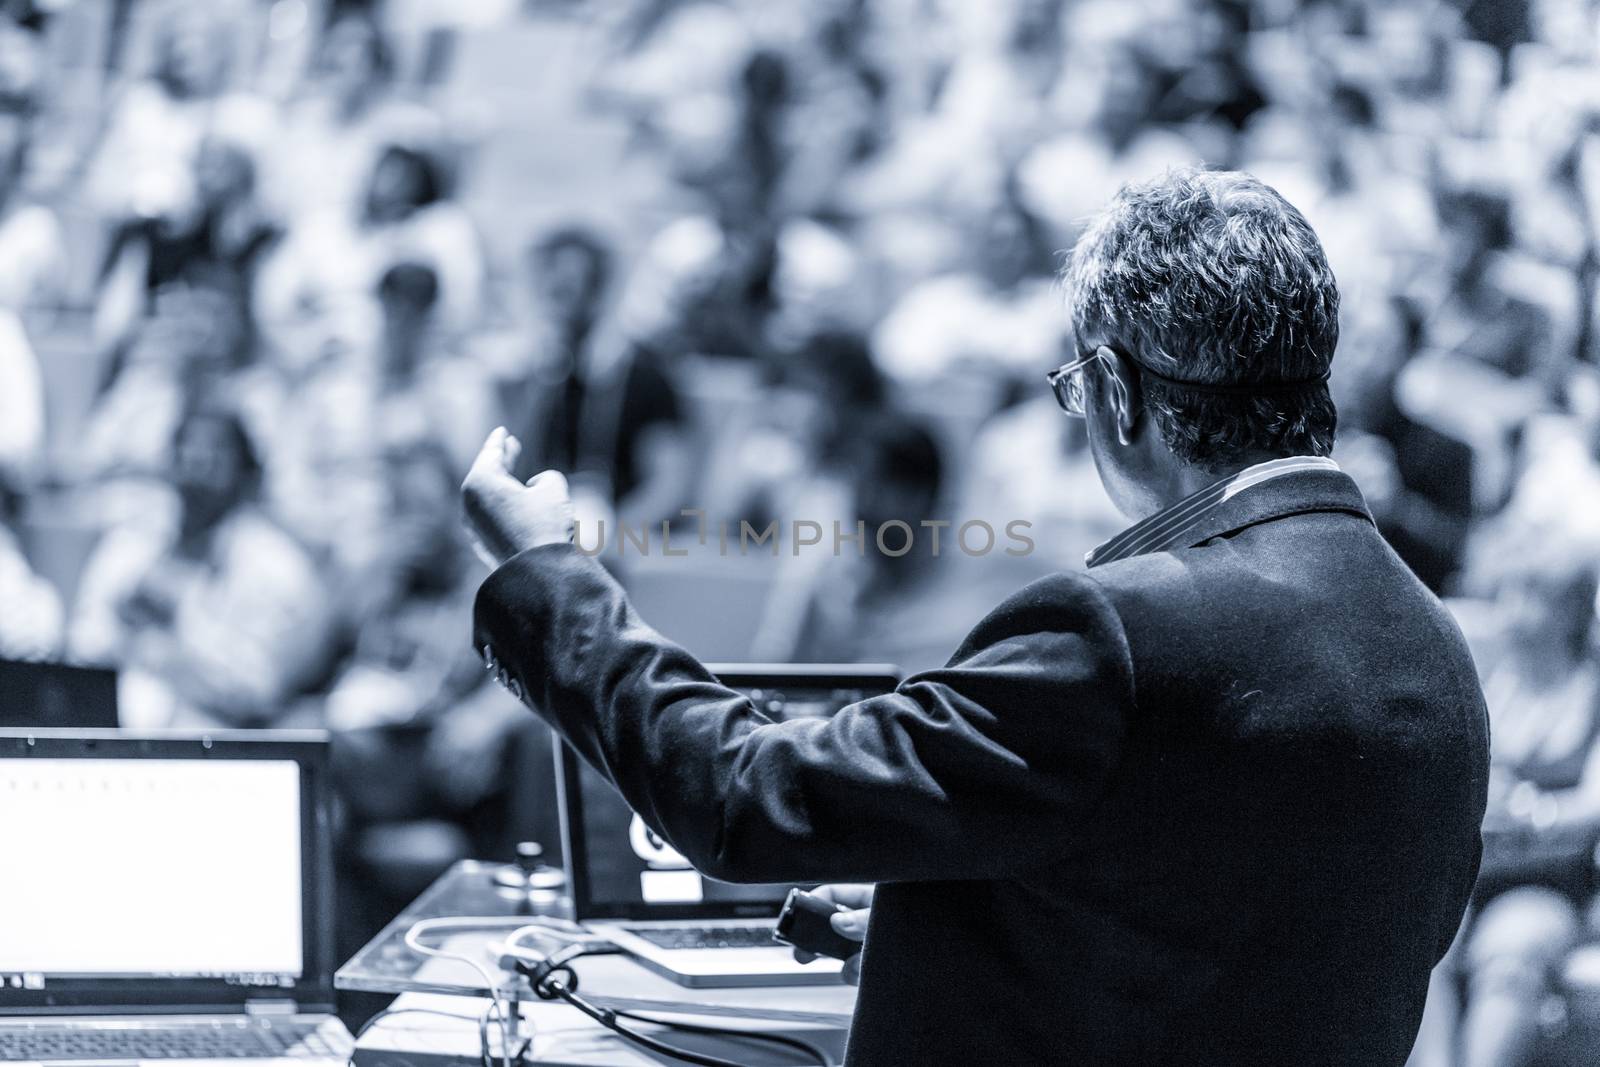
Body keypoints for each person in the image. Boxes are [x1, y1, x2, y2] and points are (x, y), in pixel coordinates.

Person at [461, 168, 1489, 1064]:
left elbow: (748, 794)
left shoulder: (1117, 635)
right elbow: (1245, 948)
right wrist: (946, 934)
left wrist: (548, 575)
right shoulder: (1433, 644)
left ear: (1117, 392)